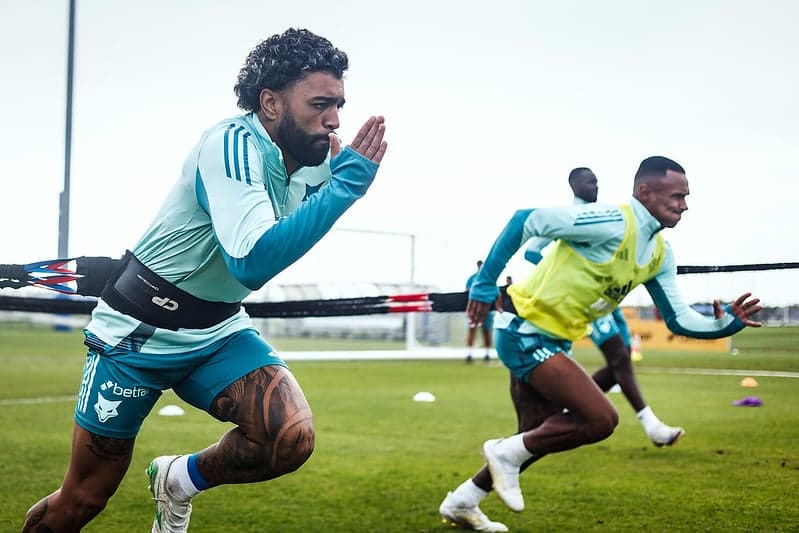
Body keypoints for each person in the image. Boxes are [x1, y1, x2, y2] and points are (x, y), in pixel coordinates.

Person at [22, 28, 387, 533]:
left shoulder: (317, 160)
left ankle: (178, 479)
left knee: (290, 438)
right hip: (138, 334)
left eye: (340, 104)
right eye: (321, 104)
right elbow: (252, 262)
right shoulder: (230, 144)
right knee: (82, 500)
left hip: (217, 330)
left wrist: (333, 179)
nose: (335, 120)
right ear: (270, 103)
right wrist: (345, 187)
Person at [438, 156, 761, 531]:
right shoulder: (610, 220)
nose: (684, 205)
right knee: (601, 419)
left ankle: (463, 500)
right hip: (522, 329)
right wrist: (483, 283)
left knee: (535, 435)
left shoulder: (659, 253)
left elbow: (678, 318)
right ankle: (500, 456)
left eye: (686, 197)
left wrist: (724, 325)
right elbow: (525, 219)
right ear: (645, 191)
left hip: (554, 339)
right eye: (676, 196)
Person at [524, 167, 684, 448]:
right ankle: (650, 424)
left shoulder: (605, 217)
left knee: (618, 361)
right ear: (574, 185)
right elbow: (531, 250)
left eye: (597, 181)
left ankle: (574, 408)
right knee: (619, 357)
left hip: (608, 300)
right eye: (589, 182)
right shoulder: (571, 216)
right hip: (585, 300)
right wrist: (564, 274)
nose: (595, 186)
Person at [465, 260, 494, 362]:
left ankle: (487, 354)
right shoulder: (472, 279)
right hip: (474, 310)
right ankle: (469, 354)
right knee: (472, 331)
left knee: (486, 332)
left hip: (487, 311)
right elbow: (467, 291)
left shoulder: (489, 278)